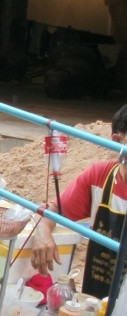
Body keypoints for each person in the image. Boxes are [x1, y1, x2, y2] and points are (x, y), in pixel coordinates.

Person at [31, 105, 127, 297]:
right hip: (98, 299)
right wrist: (42, 232)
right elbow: (53, 211)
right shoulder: (100, 176)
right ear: (118, 141)